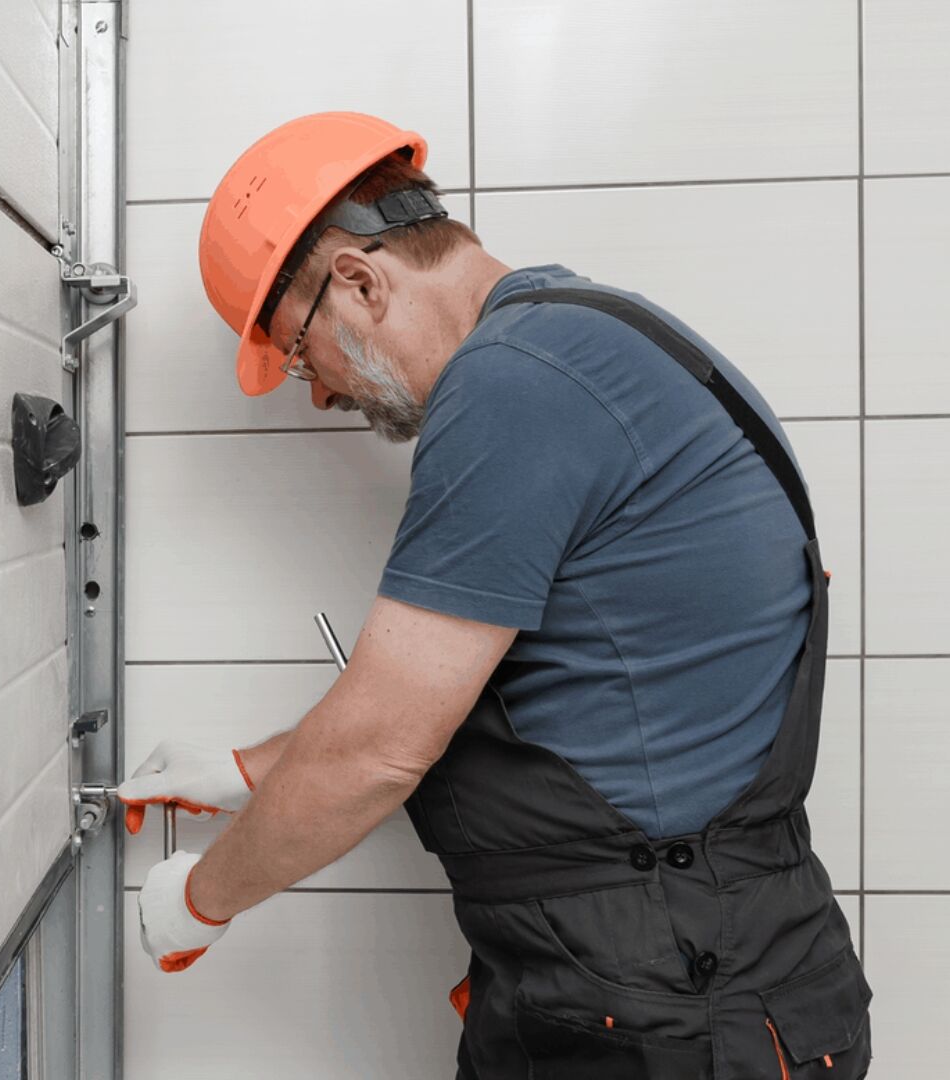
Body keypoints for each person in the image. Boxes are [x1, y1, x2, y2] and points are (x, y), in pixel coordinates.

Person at [122, 112, 872, 1078]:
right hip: (697, 976)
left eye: (303, 354)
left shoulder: (514, 386)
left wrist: (200, 899)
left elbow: (381, 749)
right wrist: (245, 770)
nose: (317, 394)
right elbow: (554, 693)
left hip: (670, 1003)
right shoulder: (587, 338)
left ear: (358, 279)